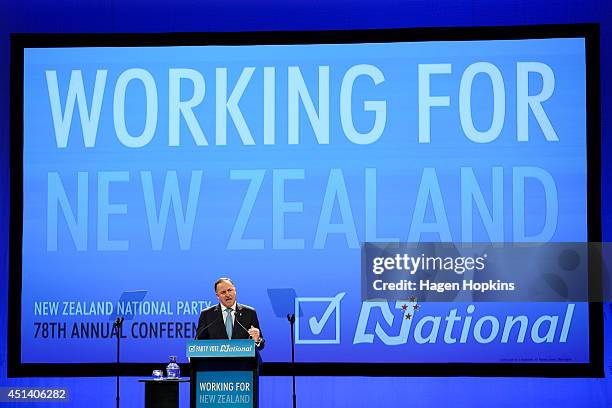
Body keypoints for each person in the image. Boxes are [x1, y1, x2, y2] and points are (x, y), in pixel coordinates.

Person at [195, 277, 265, 350]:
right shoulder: (207, 314)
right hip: (216, 360)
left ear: (235, 291)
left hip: (244, 360)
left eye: (230, 290)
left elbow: (261, 346)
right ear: (217, 296)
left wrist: (257, 339)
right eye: (223, 292)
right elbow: (198, 343)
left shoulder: (249, 313)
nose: (227, 294)